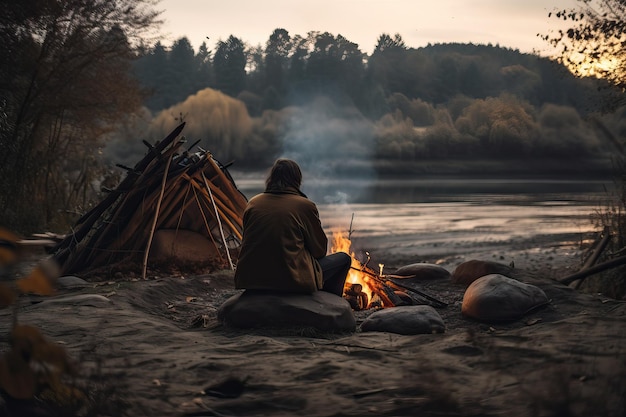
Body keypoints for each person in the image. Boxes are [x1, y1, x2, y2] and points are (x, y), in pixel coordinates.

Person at [234, 159, 351, 296]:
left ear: (271, 178)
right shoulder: (304, 205)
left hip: (250, 279)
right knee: (344, 259)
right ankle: (330, 304)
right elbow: (319, 251)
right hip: (290, 280)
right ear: (297, 180)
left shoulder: (253, 203)